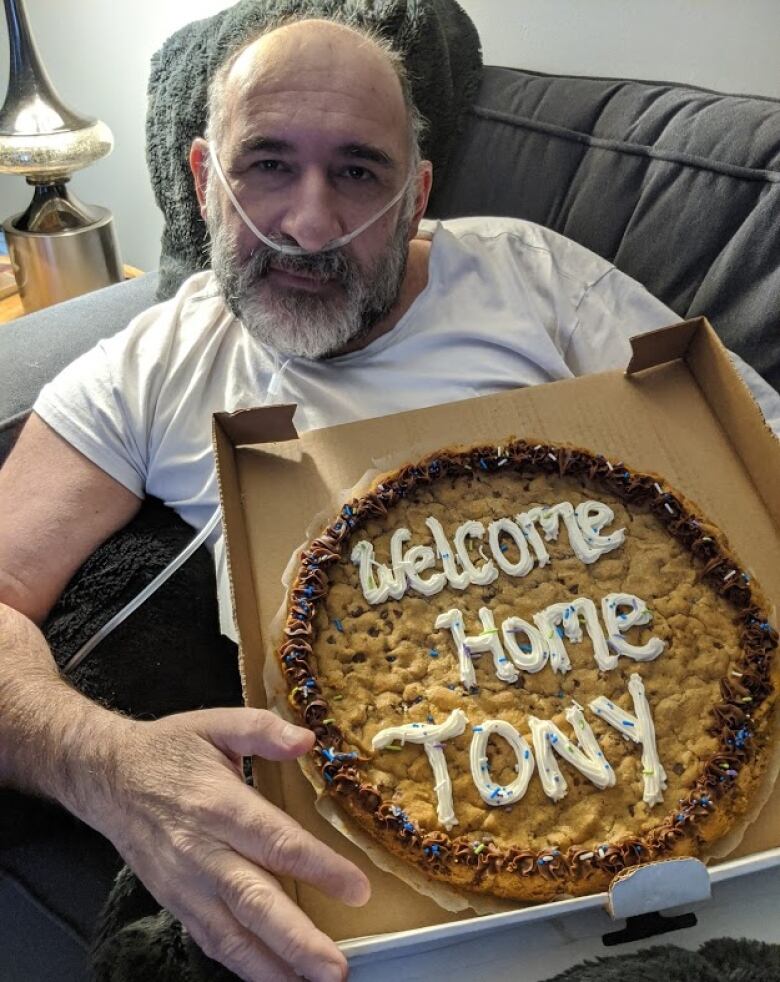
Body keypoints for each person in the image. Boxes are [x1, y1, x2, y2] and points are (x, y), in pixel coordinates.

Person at [0, 16, 777, 982]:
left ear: (417, 194)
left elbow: (757, 451)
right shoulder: (143, 370)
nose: (310, 224)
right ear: (204, 179)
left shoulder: (528, 274)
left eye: (360, 173)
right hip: (380, 895)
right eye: (267, 166)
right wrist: (105, 765)